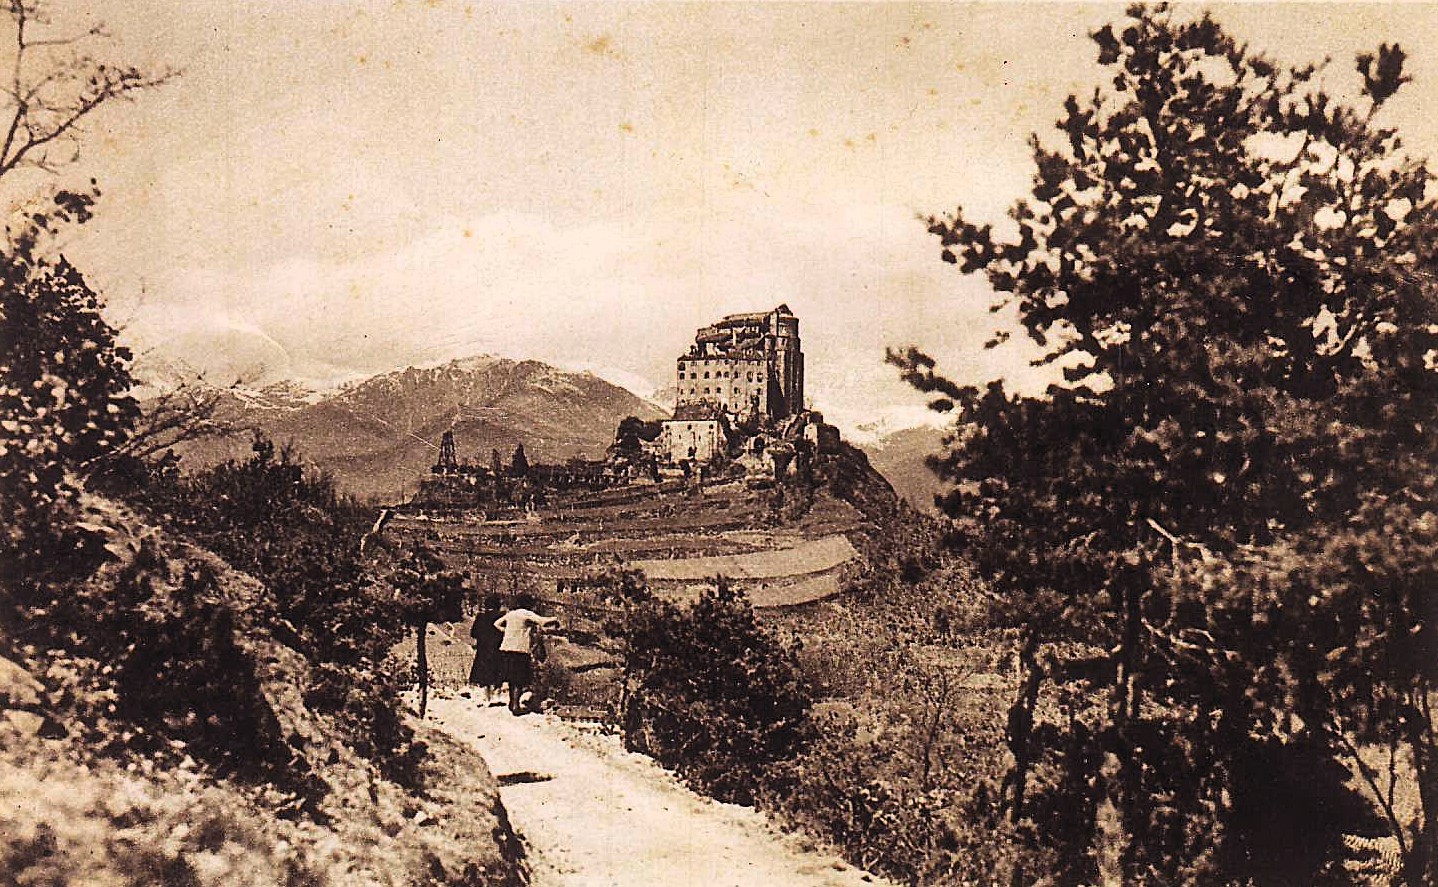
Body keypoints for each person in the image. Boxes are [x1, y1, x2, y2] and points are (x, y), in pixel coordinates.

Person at [494, 592, 559, 715]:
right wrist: (555, 619)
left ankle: (512, 702)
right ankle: (515, 705)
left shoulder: (511, 614)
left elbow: (496, 624)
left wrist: (507, 632)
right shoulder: (526, 613)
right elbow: (542, 621)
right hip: (520, 649)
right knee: (519, 678)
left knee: (511, 678)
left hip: (506, 648)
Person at [467, 592, 506, 705]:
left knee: (484, 672)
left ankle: (487, 696)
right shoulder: (501, 616)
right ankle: (497, 695)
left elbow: (473, 633)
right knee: (497, 671)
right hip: (498, 647)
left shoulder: (481, 617)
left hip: (483, 648)